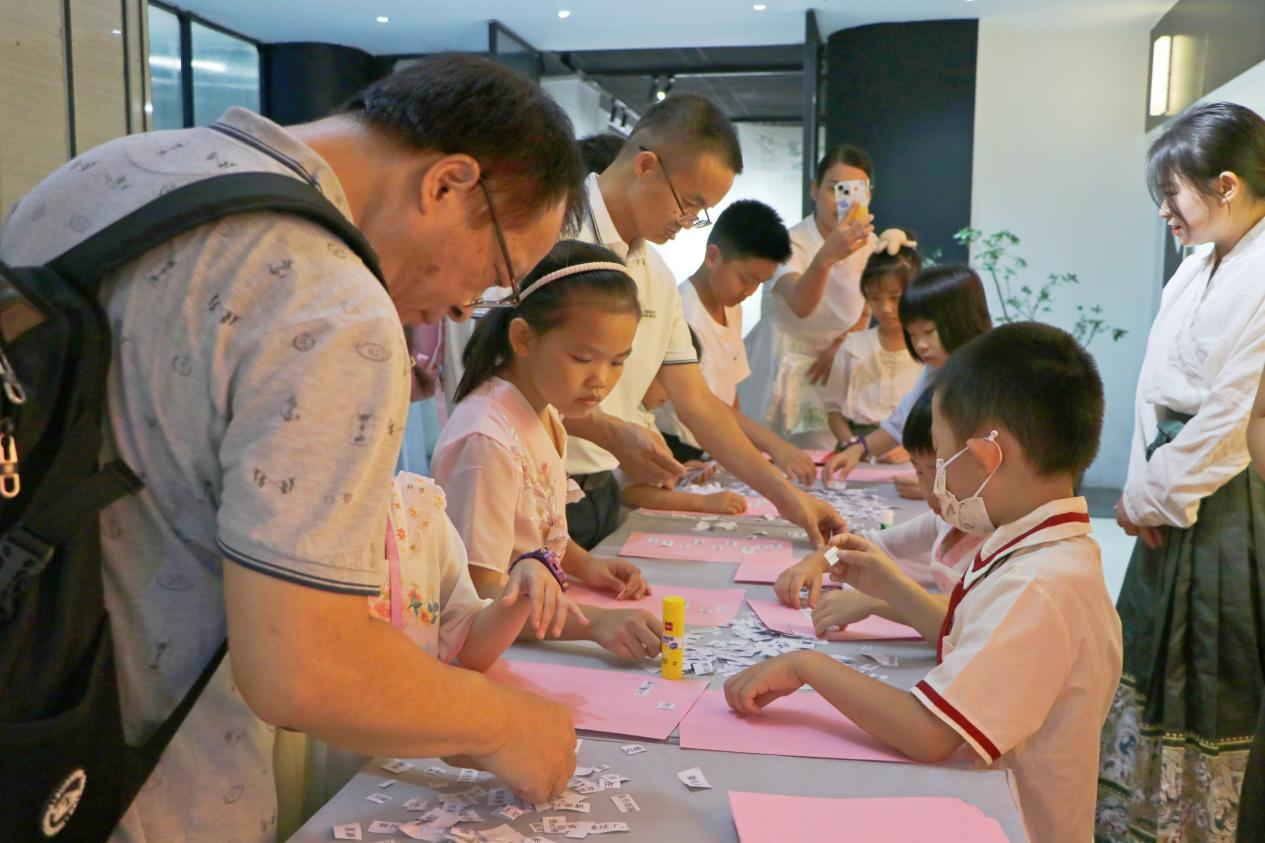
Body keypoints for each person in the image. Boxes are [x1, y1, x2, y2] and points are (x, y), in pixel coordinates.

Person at [0, 54, 590, 839]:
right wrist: (503, 722)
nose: (458, 310)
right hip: (145, 783)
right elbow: (305, 667)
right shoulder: (337, 309)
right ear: (445, 183)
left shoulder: (104, 172)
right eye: (495, 274)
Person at [726, 322, 1121, 843]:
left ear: (984, 459)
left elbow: (929, 733)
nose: (935, 486)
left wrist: (807, 666)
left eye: (941, 460)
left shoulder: (1040, 583)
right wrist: (888, 590)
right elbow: (966, 636)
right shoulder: (1033, 550)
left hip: (1019, 824)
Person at [563, 92, 846, 550]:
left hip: (599, 491)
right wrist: (613, 432)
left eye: (701, 212)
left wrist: (789, 499)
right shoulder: (550, 233)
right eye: (689, 204)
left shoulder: (653, 272)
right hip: (527, 486)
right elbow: (511, 382)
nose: (688, 221)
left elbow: (700, 403)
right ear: (646, 166)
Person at [1097, 102, 1265, 842]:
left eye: (1172, 193)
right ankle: (1137, 815)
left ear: (1224, 184)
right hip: (1164, 490)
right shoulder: (1197, 265)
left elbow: (1233, 415)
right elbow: (1150, 386)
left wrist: (1156, 494)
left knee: (1205, 667)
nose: (1164, 210)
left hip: (1217, 497)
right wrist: (1138, 492)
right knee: (1144, 656)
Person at [434, 242, 665, 661]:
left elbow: (533, 534)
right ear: (523, 337)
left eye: (617, 362)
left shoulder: (542, 412)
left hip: (539, 634)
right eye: (582, 358)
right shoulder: (486, 438)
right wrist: (595, 623)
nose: (601, 380)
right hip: (500, 650)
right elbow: (480, 596)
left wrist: (586, 566)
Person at [738, 145, 908, 447]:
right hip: (777, 364)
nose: (842, 200)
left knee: (821, 462)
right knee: (764, 457)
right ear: (815, 190)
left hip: (827, 372)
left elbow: (866, 309)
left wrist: (841, 344)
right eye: (834, 188)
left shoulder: (868, 244)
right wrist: (827, 257)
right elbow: (802, 304)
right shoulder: (790, 242)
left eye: (854, 190)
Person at [777, 388, 985, 632]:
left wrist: (875, 602)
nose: (929, 491)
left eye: (941, 473)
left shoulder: (999, 542)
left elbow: (967, 613)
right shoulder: (945, 521)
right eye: (919, 471)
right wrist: (819, 560)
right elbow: (866, 546)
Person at [653, 199, 817, 484]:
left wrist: (741, 453)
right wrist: (773, 445)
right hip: (681, 453)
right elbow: (708, 404)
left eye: (759, 283)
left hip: (716, 452)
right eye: (746, 279)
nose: (750, 291)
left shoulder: (731, 306)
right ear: (713, 257)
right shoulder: (682, 313)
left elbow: (731, 394)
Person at [823, 264, 992, 483]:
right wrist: (858, 449)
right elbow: (904, 419)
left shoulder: (989, 376)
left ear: (963, 321)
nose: (921, 345)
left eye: (929, 332)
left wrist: (938, 485)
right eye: (912, 334)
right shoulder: (936, 368)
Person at [822, 244, 924, 451]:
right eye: (875, 298)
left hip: (911, 451)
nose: (885, 308)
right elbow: (833, 411)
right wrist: (853, 445)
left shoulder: (925, 350)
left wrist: (906, 450)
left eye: (895, 298)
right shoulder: (853, 346)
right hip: (855, 447)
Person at [627, 355, 750, 516]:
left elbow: (655, 481)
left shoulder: (646, 419)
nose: (673, 392)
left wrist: (682, 472)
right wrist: (702, 502)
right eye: (670, 379)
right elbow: (629, 492)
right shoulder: (627, 425)